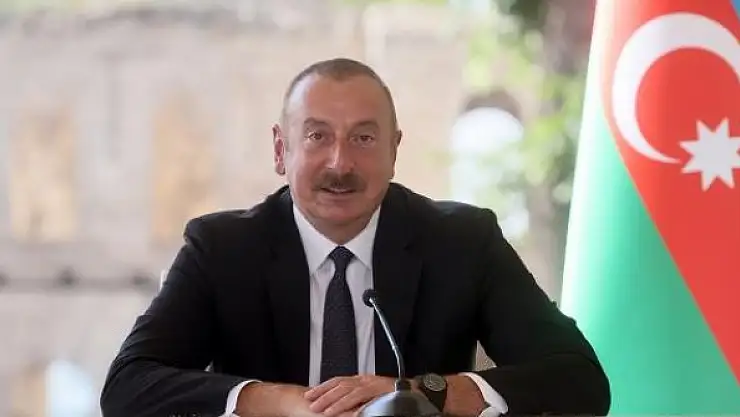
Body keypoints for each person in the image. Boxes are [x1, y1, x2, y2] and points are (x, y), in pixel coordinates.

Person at [100, 57, 610, 417]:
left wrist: (420, 395)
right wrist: (275, 401)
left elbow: (579, 378)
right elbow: (127, 385)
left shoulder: (463, 241)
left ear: (394, 151)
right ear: (280, 150)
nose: (340, 163)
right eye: (317, 136)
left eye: (364, 138)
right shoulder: (222, 248)